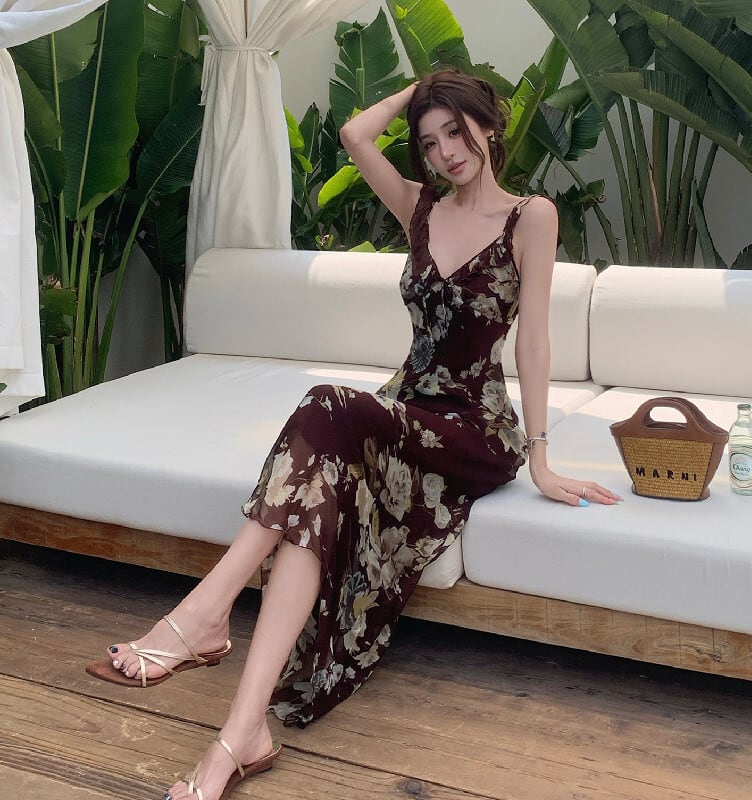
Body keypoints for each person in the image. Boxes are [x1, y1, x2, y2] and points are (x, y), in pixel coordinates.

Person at [86, 69, 620, 800]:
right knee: (315, 502)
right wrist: (418, 91)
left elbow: (534, 342)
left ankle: (203, 615)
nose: (445, 152)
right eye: (429, 142)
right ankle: (240, 737)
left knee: (327, 404)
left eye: (456, 131)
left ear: (489, 126)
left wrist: (542, 458)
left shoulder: (531, 216)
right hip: (404, 412)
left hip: (473, 429)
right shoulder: (419, 208)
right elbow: (353, 135)